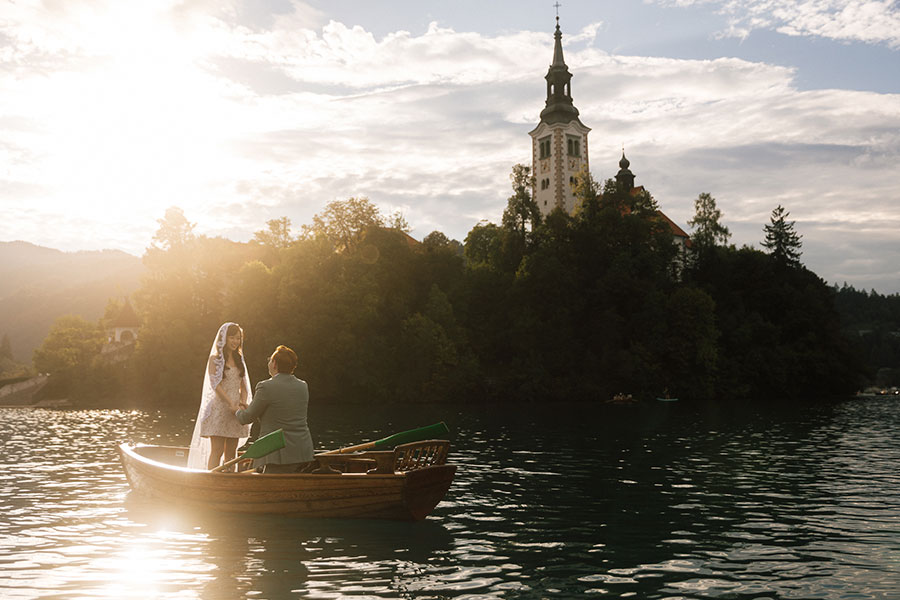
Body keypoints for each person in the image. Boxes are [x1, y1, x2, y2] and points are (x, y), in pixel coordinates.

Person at [234, 344, 315, 473]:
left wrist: (236, 410)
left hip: (276, 453)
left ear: (275, 364)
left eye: (270, 360)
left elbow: (246, 418)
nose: (269, 363)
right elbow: (281, 411)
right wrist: (254, 408)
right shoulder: (303, 386)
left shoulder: (265, 387)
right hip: (302, 451)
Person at [187, 323, 251, 470]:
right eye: (232, 338)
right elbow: (215, 385)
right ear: (224, 338)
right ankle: (213, 480)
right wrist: (230, 403)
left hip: (236, 411)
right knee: (217, 450)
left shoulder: (240, 360)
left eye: (238, 338)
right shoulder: (214, 360)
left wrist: (241, 403)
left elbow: (244, 386)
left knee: (231, 452)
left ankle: (230, 480)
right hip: (220, 409)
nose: (235, 341)